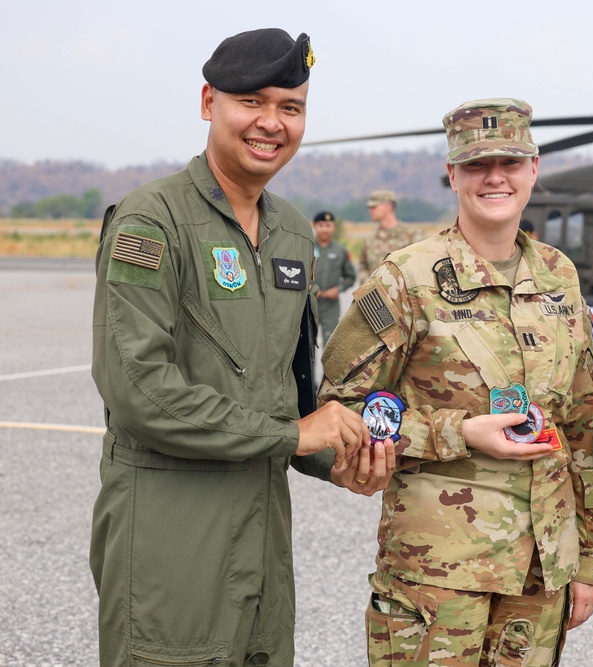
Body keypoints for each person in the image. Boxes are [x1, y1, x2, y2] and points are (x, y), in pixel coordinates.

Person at [89, 29, 394, 667]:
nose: (271, 123)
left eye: (291, 106)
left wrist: (334, 458)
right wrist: (294, 438)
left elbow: (294, 392)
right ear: (209, 102)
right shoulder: (153, 221)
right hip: (172, 531)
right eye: (252, 101)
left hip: (262, 532)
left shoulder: (290, 232)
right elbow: (139, 391)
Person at [312, 98, 593, 666]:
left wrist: (591, 557)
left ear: (534, 169)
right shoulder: (406, 278)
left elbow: (580, 423)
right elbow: (340, 413)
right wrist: (459, 432)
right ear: (452, 175)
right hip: (438, 577)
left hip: (540, 573)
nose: (494, 177)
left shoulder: (558, 275)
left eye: (510, 162)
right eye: (476, 165)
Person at [357, 189, 423, 283]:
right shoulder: (370, 239)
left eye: (374, 207)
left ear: (388, 206)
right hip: (375, 295)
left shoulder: (411, 236)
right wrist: (368, 283)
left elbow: (419, 267)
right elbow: (362, 266)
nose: (370, 211)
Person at [312, 210, 357, 346]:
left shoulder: (340, 251)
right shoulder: (307, 247)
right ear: (314, 226)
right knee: (308, 347)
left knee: (330, 346)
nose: (324, 229)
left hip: (330, 305)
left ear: (334, 227)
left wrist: (339, 289)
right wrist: (307, 287)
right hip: (309, 303)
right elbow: (297, 273)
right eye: (321, 225)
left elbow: (350, 277)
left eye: (328, 225)